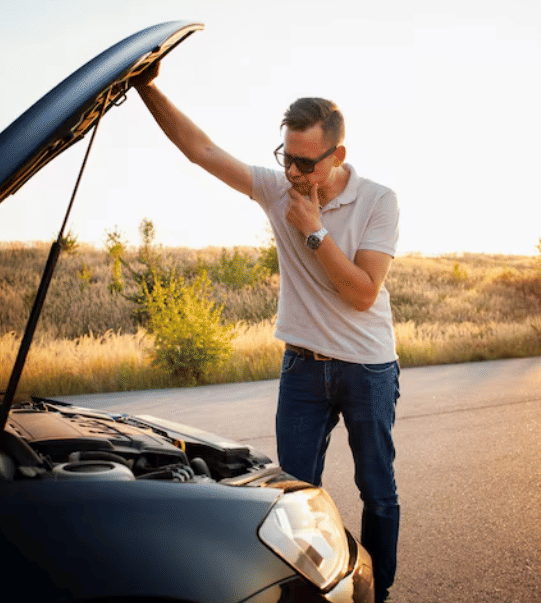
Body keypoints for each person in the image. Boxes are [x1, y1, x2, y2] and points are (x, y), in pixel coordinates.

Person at [133, 63, 401, 601]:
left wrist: (314, 231)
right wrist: (146, 86)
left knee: (376, 491)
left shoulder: (378, 201)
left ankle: (382, 592)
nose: (294, 173)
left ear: (337, 156)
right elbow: (202, 151)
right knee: (291, 497)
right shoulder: (276, 189)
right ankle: (308, 594)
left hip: (367, 367)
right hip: (302, 367)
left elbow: (363, 292)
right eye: (287, 158)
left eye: (305, 162)